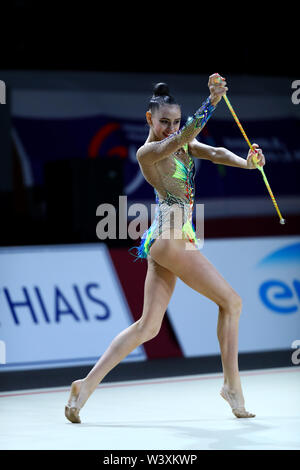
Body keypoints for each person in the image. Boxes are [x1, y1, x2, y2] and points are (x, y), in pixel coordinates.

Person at [65, 73, 265, 423]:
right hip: (170, 238)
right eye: (163, 123)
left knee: (147, 326)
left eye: (175, 122)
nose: (170, 129)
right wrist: (212, 103)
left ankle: (84, 386)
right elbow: (186, 137)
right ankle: (232, 386)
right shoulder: (148, 152)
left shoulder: (180, 140)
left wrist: (246, 163)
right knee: (232, 302)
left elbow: (214, 152)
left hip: (171, 236)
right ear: (149, 119)